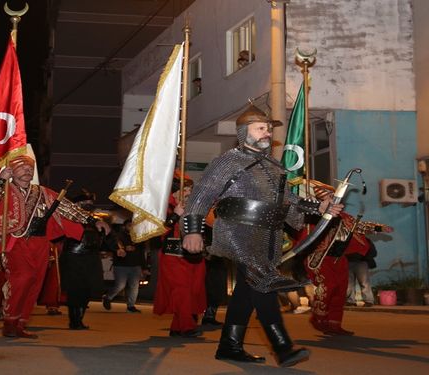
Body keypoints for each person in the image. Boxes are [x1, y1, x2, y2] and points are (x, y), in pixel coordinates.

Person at [182, 104, 343, 368]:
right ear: (244, 132)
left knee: (248, 289)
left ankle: (229, 346)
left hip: (269, 234)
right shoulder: (228, 161)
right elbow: (201, 196)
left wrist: (319, 207)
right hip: (237, 231)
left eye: (268, 128)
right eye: (260, 128)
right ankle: (283, 347)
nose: (267, 132)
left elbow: (288, 199)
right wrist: (192, 231)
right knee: (264, 281)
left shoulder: (273, 165)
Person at [0, 155, 91, 338]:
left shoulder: (43, 192)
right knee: (23, 277)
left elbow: (67, 208)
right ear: (11, 171)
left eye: (30, 167)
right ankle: (9, 322)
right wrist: (0, 180)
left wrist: (91, 220)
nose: (27, 170)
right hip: (13, 241)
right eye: (22, 167)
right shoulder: (4, 189)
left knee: (34, 283)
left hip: (40, 243)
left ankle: (20, 324)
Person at [299, 187, 392, 335]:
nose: (335, 199)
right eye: (330, 196)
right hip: (319, 258)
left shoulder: (344, 217)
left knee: (340, 290)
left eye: (335, 196)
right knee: (328, 285)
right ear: (322, 199)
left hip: (338, 258)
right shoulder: (313, 215)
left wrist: (378, 227)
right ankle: (318, 318)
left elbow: (358, 226)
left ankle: (334, 324)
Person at [153, 173, 207, 337]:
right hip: (172, 255)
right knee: (181, 290)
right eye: (185, 190)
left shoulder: (196, 208)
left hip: (194, 256)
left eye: (190, 190)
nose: (188, 193)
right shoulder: (165, 207)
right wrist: (175, 214)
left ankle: (177, 327)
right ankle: (186, 326)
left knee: (192, 290)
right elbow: (159, 230)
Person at [59, 191, 114, 329]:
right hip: (74, 257)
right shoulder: (68, 218)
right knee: (75, 290)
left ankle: (79, 320)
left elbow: (107, 239)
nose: (89, 206)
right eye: (85, 203)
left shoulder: (97, 221)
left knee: (87, 290)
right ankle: (74, 321)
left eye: (90, 204)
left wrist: (116, 247)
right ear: (76, 204)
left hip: (91, 258)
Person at [102, 219, 148, 313]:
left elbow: (141, 253)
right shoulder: (118, 236)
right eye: (129, 226)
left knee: (134, 286)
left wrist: (144, 267)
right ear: (125, 226)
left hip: (135, 265)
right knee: (120, 285)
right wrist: (124, 248)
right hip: (121, 265)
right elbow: (113, 246)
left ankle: (131, 306)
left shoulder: (139, 238)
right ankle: (108, 297)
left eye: (133, 226)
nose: (132, 228)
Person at [346, 236, 378, 307]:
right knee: (349, 283)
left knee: (364, 282)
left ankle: (368, 301)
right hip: (349, 262)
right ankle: (350, 301)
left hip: (361, 262)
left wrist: (363, 256)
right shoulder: (347, 238)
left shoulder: (365, 239)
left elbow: (373, 252)